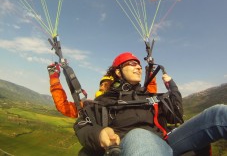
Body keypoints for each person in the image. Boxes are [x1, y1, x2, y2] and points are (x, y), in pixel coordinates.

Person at [74, 52, 227, 156]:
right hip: (127, 146)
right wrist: (99, 134)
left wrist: (173, 87)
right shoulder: (105, 101)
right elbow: (83, 125)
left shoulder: (150, 96)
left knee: (218, 113)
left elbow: (176, 117)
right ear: (118, 72)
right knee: (139, 135)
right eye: (132, 64)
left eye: (139, 65)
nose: (139, 67)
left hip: (167, 142)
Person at [47, 63, 113, 118]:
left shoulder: (119, 110)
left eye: (107, 85)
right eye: (101, 85)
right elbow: (62, 106)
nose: (102, 87)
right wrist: (54, 79)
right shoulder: (90, 106)